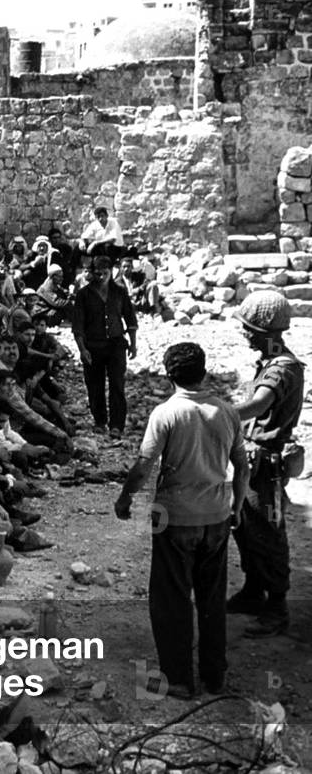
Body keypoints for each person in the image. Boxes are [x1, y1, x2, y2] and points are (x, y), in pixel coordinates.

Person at [116, 343, 249, 698]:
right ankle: (214, 675)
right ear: (203, 371)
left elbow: (144, 465)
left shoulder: (166, 413)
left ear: (169, 375)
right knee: (212, 599)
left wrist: (125, 497)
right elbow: (242, 466)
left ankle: (178, 679)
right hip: (217, 517)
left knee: (171, 598)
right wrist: (236, 507)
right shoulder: (227, 411)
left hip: (174, 518)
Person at [227, 291, 306, 638]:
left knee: (268, 533)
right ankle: (253, 590)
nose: (245, 334)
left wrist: (216, 413)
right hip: (252, 459)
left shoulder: (283, 368)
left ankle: (276, 606)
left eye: (250, 329)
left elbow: (259, 406)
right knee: (244, 526)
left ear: (268, 332)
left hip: (266, 463)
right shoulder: (270, 361)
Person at [71, 256, 137, 438]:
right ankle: (100, 421)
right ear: (92, 273)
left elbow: (130, 318)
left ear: (111, 272)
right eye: (98, 273)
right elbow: (78, 325)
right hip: (93, 345)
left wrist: (133, 344)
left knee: (117, 384)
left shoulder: (120, 292)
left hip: (116, 345)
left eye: (105, 273)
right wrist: (82, 349)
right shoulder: (83, 294)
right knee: (94, 385)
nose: (101, 277)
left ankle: (117, 425)